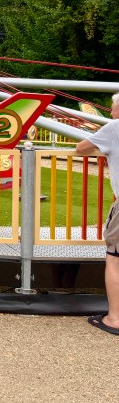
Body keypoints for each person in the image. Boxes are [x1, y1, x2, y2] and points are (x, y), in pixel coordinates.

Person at [75, 92, 119, 335]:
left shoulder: (114, 127)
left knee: (115, 259)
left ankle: (114, 319)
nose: (110, 113)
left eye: (112, 109)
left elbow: (81, 148)